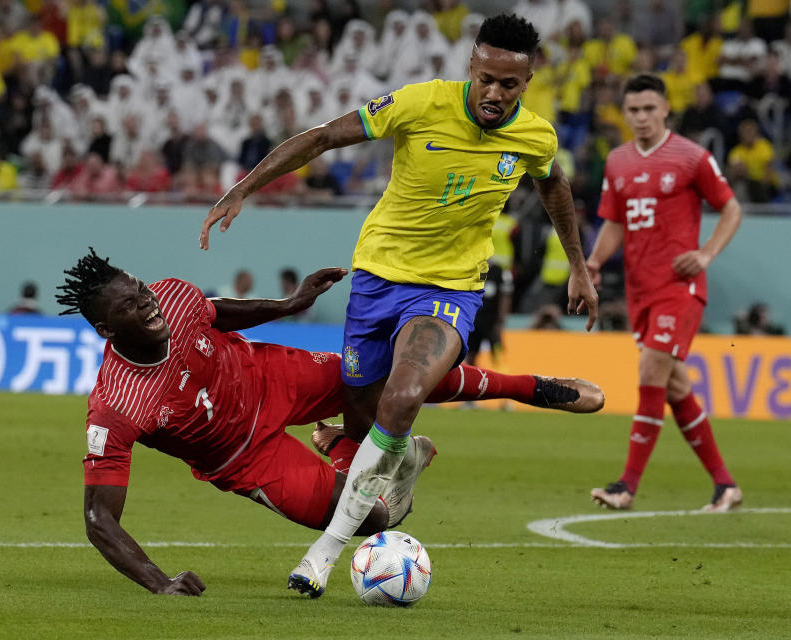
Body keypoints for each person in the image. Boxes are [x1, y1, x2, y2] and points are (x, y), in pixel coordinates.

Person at [199, 12, 599, 598]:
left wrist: (581, 267)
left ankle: (324, 554)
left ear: (529, 80)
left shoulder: (534, 136)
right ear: (472, 66)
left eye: (508, 84)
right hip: (377, 280)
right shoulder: (418, 104)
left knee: (406, 392)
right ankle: (405, 459)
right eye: (485, 78)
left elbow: (553, 184)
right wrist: (244, 187)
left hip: (449, 289)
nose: (494, 93)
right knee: (367, 423)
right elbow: (323, 136)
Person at [58, 249, 604, 595]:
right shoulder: (117, 404)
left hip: (272, 377)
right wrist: (160, 585)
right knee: (372, 520)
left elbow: (217, 310)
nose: (149, 304)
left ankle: (536, 389)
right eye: (132, 306)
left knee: (390, 378)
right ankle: (354, 447)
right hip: (245, 458)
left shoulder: (172, 296)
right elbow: (99, 521)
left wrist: (292, 304)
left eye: (142, 289)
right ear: (108, 331)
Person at [586, 74, 743, 514]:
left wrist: (706, 254)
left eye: (648, 109)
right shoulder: (617, 162)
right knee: (674, 384)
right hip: (641, 292)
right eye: (633, 110)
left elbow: (731, 208)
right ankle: (725, 485)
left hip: (681, 286)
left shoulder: (692, 158)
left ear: (665, 109)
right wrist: (595, 262)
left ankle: (626, 486)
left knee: (652, 367)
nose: (640, 117)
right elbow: (615, 222)